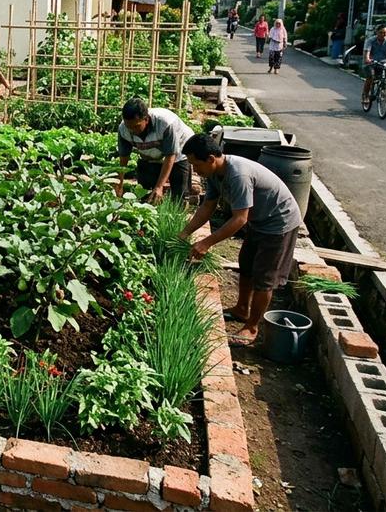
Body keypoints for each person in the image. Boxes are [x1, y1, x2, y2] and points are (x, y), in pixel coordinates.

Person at [178, 133, 302, 346]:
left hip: (279, 222)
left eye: (196, 165)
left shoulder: (237, 175)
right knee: (246, 264)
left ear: (210, 158)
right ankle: (242, 309)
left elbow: (240, 219)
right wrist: (184, 233)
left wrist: (206, 242)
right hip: (260, 221)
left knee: (264, 277)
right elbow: (207, 207)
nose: (195, 171)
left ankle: (252, 327)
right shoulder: (215, 174)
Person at [116, 98, 195, 204]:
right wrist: (119, 182)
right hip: (151, 154)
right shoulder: (123, 129)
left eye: (136, 126)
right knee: (145, 193)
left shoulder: (165, 123)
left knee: (179, 196)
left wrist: (159, 186)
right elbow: (124, 157)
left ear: (146, 119)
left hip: (180, 150)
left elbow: (170, 155)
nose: (132, 130)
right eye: (128, 127)